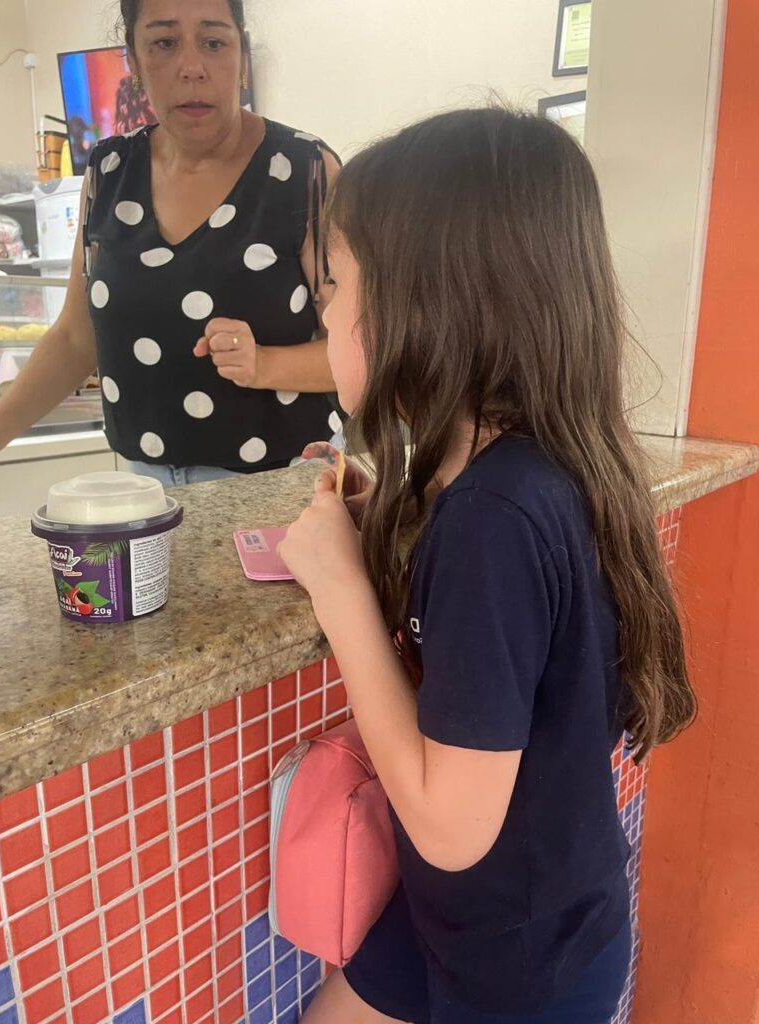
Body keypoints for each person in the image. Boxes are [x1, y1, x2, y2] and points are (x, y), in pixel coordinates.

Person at [278, 107, 697, 1024]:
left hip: (518, 971)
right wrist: (398, 517)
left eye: (335, 282)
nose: (322, 310)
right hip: (499, 917)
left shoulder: (493, 520)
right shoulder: (533, 473)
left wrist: (341, 588)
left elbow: (450, 828)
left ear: (424, 304)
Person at [0, 0, 342, 484]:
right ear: (134, 62)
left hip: (282, 482)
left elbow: (365, 345)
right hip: (145, 485)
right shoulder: (109, 170)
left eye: (214, 42)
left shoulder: (306, 170)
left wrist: (264, 364)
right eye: (164, 42)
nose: (192, 67)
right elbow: (75, 338)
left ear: (241, 55)